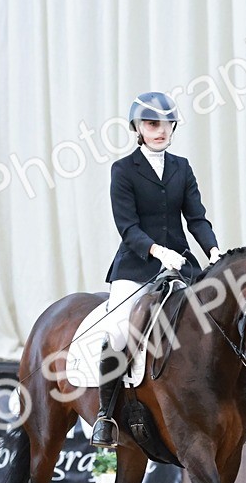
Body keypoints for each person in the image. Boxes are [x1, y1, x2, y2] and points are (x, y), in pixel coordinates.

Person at [90, 91, 221, 448]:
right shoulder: (123, 170)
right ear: (138, 128)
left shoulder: (182, 167)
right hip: (137, 264)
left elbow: (196, 217)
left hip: (182, 263)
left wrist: (213, 250)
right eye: (152, 124)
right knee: (119, 331)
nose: (160, 131)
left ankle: (223, 406)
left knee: (215, 319)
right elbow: (127, 226)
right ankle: (105, 415)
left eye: (167, 124)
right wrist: (158, 251)